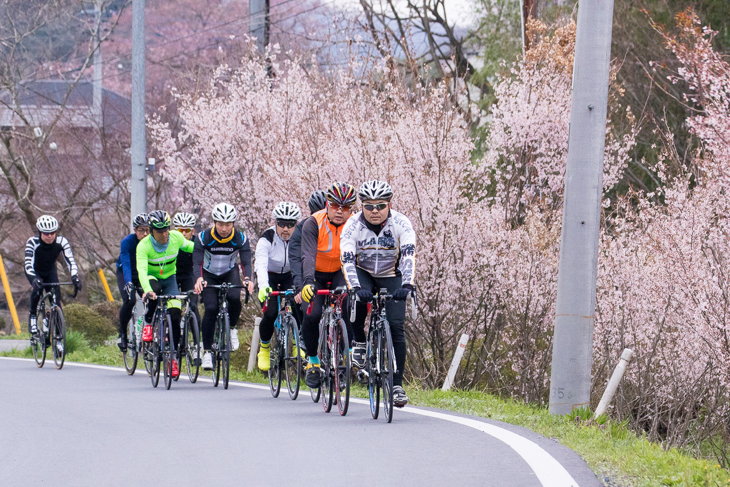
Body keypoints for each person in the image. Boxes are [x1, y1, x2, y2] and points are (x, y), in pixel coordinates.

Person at [340, 180, 416, 407]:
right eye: (369, 206)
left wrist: (408, 284)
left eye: (380, 206)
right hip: (363, 272)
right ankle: (361, 342)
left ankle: (397, 385)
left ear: (389, 205)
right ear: (361, 206)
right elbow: (346, 260)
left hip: (391, 274)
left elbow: (409, 255)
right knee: (356, 300)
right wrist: (355, 287)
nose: (375, 211)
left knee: (396, 326)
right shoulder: (352, 225)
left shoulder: (401, 223)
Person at [299, 182, 356, 388]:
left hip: (341, 271)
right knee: (312, 314)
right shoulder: (313, 223)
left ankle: (344, 357)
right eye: (335, 206)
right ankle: (313, 360)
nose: (340, 212)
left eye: (346, 207)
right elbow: (307, 254)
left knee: (349, 305)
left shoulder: (355, 224)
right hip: (316, 273)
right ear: (327, 204)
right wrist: (307, 282)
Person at [193, 203, 254, 370]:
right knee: (211, 308)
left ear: (233, 223)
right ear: (214, 222)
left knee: (235, 298)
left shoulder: (240, 238)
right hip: (208, 274)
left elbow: (246, 261)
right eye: (220, 224)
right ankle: (207, 352)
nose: (224, 228)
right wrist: (198, 279)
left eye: (228, 224)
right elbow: (197, 261)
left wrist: (248, 278)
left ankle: (232, 328)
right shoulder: (204, 237)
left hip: (228, 272)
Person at [136, 210, 194, 378]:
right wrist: (147, 290)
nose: (164, 234)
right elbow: (141, 270)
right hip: (152, 278)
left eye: (166, 229)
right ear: (152, 231)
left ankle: (174, 357)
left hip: (170, 278)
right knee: (153, 295)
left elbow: (193, 248)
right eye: (159, 231)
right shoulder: (144, 245)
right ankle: (148, 323)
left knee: (175, 315)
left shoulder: (175, 237)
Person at [255, 201, 301, 371]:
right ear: (276, 223)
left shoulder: (301, 237)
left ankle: (298, 343)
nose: (285, 229)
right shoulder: (267, 238)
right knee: (271, 312)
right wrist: (264, 286)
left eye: (290, 225)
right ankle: (265, 348)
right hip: (270, 276)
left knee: (300, 305)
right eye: (281, 224)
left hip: (290, 274)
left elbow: (304, 262)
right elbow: (260, 264)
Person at [24, 215, 82, 336]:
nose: (49, 236)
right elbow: (28, 264)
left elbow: (70, 261)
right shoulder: (32, 242)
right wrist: (34, 278)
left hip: (50, 271)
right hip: (35, 271)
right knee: (37, 290)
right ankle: (33, 316)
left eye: (52, 232)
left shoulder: (62, 241)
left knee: (56, 302)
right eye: (46, 233)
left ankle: (58, 336)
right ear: (40, 232)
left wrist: (75, 276)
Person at [114, 213, 149, 351]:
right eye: (141, 230)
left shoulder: (153, 242)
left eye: (148, 230)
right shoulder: (127, 242)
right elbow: (126, 263)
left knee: (153, 299)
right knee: (130, 300)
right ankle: (122, 333)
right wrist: (128, 282)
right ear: (135, 230)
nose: (145, 234)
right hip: (126, 273)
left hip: (143, 274)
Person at [173, 212, 200, 326]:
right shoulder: (170, 241)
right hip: (173, 275)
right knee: (173, 307)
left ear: (192, 231)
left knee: (193, 305)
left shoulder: (197, 242)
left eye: (187, 230)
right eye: (180, 230)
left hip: (189, 274)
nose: (183, 233)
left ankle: (196, 340)